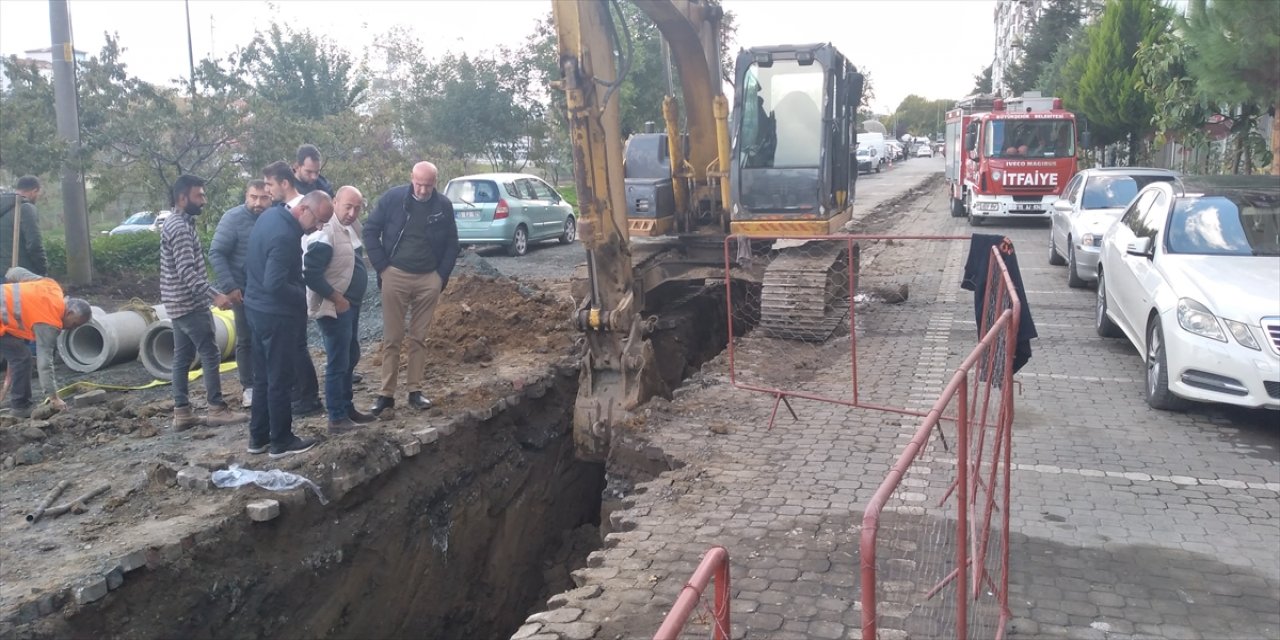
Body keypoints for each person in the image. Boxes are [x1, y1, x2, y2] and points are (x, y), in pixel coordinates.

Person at [364, 161, 460, 417]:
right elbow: (370, 230)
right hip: (395, 275)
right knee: (392, 338)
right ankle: (386, 395)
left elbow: (453, 242)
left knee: (419, 337)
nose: (423, 190)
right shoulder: (393, 199)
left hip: (428, 278)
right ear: (411, 178)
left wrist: (441, 276)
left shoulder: (443, 206)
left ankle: (415, 391)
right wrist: (382, 267)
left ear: (435, 183)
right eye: (419, 184)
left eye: (428, 185)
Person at [244, 190, 333, 458]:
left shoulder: (271, 215)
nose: (317, 228)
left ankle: (258, 437)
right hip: (276, 316)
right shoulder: (285, 236)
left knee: (262, 378)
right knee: (279, 379)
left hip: (255, 309)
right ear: (304, 209)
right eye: (318, 221)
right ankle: (281, 440)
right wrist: (302, 295)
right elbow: (275, 283)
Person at [160, 174, 247, 431]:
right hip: (189, 303)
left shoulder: (177, 223)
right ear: (182, 198)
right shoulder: (179, 228)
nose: (204, 201)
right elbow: (187, 272)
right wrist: (215, 295)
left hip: (176, 304)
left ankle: (182, 412)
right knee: (210, 352)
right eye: (199, 195)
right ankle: (216, 408)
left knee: (182, 356)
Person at [304, 186, 375, 433]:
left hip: (349, 305)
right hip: (334, 307)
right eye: (348, 206)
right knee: (337, 361)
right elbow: (311, 275)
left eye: (357, 208)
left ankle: (347, 407)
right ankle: (336, 417)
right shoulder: (325, 233)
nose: (352, 212)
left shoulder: (351, 227)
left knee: (350, 356)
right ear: (335, 202)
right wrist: (337, 298)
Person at [262, 161, 323, 415]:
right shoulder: (277, 212)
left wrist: (301, 293)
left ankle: (307, 397)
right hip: (289, 289)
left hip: (294, 288)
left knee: (297, 347)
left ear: (284, 183)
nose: (267, 190)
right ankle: (301, 395)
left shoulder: (301, 210)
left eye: (269, 184)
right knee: (294, 348)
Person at [209, 179, 271, 407]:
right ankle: (249, 387)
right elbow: (216, 253)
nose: (258, 202)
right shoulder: (233, 219)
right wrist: (230, 287)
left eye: (263, 197)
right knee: (245, 339)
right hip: (243, 291)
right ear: (246, 195)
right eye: (254, 197)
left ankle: (272, 382)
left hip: (269, 290)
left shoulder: (274, 217)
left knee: (270, 338)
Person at [0, 268, 91, 417]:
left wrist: (12, 294)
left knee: (18, 354)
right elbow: (44, 364)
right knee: (22, 358)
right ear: (70, 313)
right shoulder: (50, 323)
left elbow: (13, 272)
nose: (68, 329)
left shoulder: (51, 286)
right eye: (74, 324)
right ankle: (21, 407)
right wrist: (53, 398)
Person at [0, 175, 49, 275]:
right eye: (38, 193)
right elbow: (34, 244)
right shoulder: (26, 208)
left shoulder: (3, 206)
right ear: (34, 191)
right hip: (22, 274)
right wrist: (43, 270)